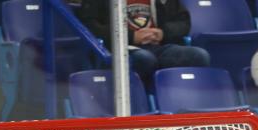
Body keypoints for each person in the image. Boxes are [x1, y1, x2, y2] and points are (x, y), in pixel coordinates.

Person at [78, 0, 210, 86]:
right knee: (145, 59)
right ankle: (145, 102)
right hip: (121, 48)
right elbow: (90, 27)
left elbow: (183, 23)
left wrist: (163, 32)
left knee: (199, 55)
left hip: (158, 46)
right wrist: (131, 37)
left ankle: (182, 106)